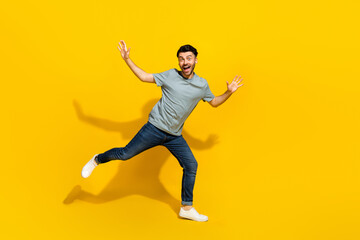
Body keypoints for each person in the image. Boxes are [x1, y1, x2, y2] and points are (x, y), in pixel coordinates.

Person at [81, 40, 244, 222]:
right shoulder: (170, 75)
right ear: (179, 62)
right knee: (125, 154)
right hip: (154, 129)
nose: (185, 62)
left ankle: (186, 208)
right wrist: (127, 59)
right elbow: (144, 77)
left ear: (196, 60)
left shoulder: (202, 85)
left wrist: (228, 92)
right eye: (181, 59)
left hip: (174, 136)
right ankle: (97, 159)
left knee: (191, 165)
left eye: (189, 58)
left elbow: (214, 102)